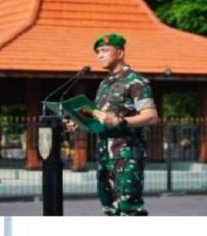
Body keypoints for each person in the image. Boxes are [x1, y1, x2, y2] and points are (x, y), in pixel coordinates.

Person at [68, 33, 158, 215]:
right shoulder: (105, 84)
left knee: (129, 208)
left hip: (126, 154)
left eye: (105, 50)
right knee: (109, 207)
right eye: (98, 52)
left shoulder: (135, 81)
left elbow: (151, 116)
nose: (100, 55)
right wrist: (79, 121)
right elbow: (99, 116)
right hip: (104, 153)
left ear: (120, 53)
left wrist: (120, 120)